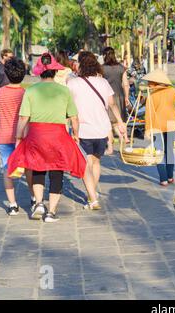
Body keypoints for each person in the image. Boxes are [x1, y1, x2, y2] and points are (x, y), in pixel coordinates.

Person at [7, 53, 86, 223]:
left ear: (40, 72)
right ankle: (51, 213)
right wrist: (76, 135)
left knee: (38, 169)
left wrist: (19, 137)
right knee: (57, 172)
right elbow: (74, 118)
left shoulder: (31, 91)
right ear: (55, 72)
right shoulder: (64, 90)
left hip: (36, 135)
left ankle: (40, 203)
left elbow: (23, 119)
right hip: (58, 136)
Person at [67, 51, 126, 210]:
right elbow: (112, 104)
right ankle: (92, 193)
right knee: (96, 162)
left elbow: (68, 108)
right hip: (101, 129)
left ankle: (92, 198)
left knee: (85, 164)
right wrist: (120, 121)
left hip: (83, 130)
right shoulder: (103, 83)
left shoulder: (72, 84)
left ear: (81, 65)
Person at [0, 57, 35, 216]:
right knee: (28, 168)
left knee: (7, 169)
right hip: (24, 136)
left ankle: (12, 205)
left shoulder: (1, 93)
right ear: (23, 74)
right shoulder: (26, 93)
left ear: (6, 73)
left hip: (4, 136)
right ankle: (33, 197)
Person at [142, 69, 175, 186]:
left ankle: (163, 179)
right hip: (171, 125)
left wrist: (147, 129)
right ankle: (170, 177)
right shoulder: (172, 91)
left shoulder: (151, 96)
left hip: (157, 127)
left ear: (155, 82)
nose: (148, 84)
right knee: (170, 151)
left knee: (159, 153)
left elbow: (148, 114)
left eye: (150, 82)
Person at [102, 47, 131, 144]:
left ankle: (113, 138)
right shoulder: (121, 68)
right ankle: (125, 137)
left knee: (110, 119)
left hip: (108, 97)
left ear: (104, 55)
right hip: (120, 96)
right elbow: (126, 84)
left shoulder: (102, 68)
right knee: (121, 118)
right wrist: (127, 97)